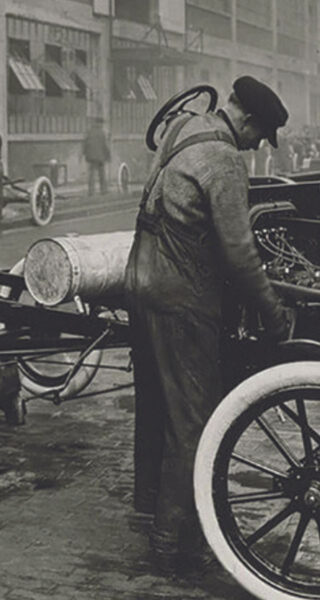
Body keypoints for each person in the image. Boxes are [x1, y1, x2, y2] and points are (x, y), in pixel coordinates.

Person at [125, 75, 293, 576]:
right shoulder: (224, 160)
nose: (258, 146)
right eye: (260, 136)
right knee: (194, 419)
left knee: (156, 404)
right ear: (245, 119)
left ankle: (149, 507)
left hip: (139, 281)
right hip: (180, 296)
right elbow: (239, 255)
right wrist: (273, 312)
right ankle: (170, 542)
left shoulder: (185, 126)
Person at [82, 116, 111, 196]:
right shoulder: (102, 132)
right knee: (102, 174)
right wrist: (108, 155)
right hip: (100, 157)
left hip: (91, 157)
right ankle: (103, 190)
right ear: (100, 123)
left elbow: (85, 143)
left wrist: (84, 154)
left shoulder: (89, 131)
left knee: (91, 175)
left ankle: (91, 191)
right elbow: (105, 146)